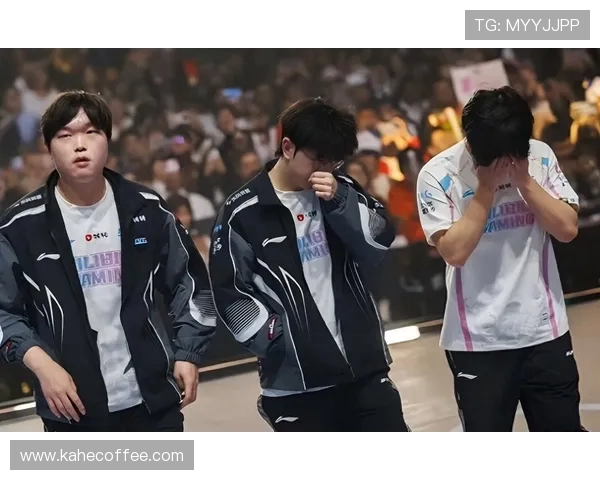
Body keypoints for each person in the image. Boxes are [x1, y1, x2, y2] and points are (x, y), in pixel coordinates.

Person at [0, 91, 216, 432]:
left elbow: (190, 283)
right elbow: (4, 311)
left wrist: (188, 352)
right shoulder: (20, 226)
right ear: (48, 148)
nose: (79, 145)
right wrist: (42, 365)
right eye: (65, 135)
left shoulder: (146, 207)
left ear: (108, 140)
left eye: (91, 132)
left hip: (154, 404)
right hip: (71, 408)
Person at [209, 97, 410, 432]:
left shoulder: (341, 188)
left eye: (334, 161)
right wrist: (274, 338)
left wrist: (341, 200)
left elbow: (378, 243)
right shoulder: (242, 211)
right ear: (288, 147)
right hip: (295, 387)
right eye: (318, 159)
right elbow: (229, 291)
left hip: (365, 371)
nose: (326, 169)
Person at [416, 86, 584, 432]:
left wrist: (524, 181)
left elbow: (567, 229)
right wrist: (485, 188)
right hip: (477, 341)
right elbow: (455, 253)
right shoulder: (438, 173)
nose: (505, 162)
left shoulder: (539, 155)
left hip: (545, 331)